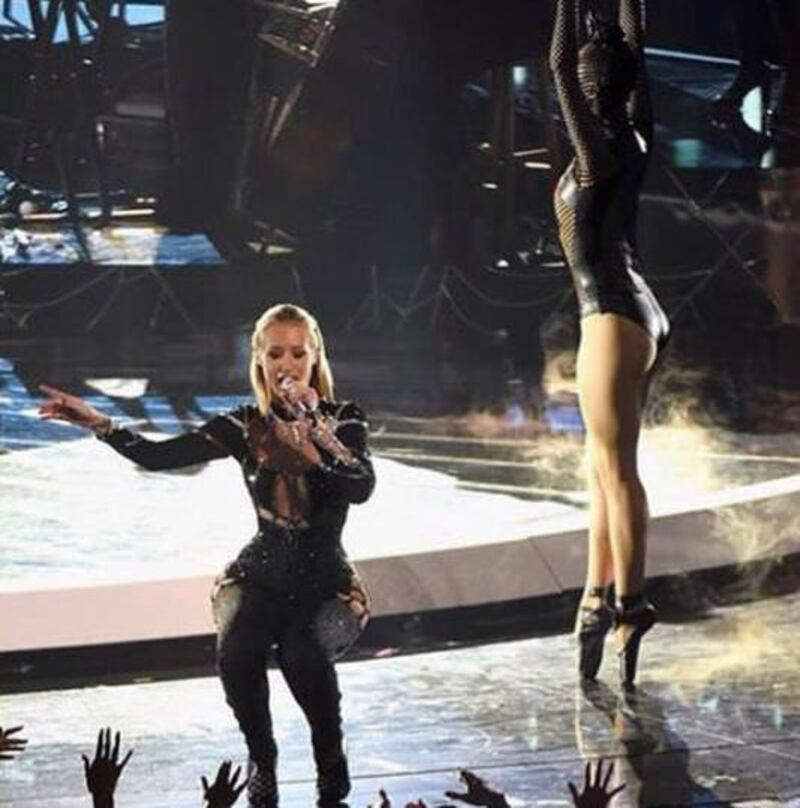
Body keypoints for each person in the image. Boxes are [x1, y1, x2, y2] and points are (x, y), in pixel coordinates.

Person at [39, 303, 375, 807]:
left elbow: (360, 486)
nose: (287, 365)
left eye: (297, 354)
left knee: (302, 657)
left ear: (314, 357)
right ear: (259, 359)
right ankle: (262, 760)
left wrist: (316, 433)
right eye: (275, 354)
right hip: (261, 574)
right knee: (238, 653)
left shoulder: (344, 419)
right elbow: (159, 456)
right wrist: (100, 423)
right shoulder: (244, 424)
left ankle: (330, 758)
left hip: (324, 581)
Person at [549, 0, 669, 690]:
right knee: (601, 469)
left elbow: (557, 66)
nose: (581, 84)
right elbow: (635, 45)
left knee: (615, 472)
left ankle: (630, 603)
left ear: (595, 88)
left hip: (610, 319)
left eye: (587, 78)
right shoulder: (637, 135)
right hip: (640, 313)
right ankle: (598, 596)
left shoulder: (595, 157)